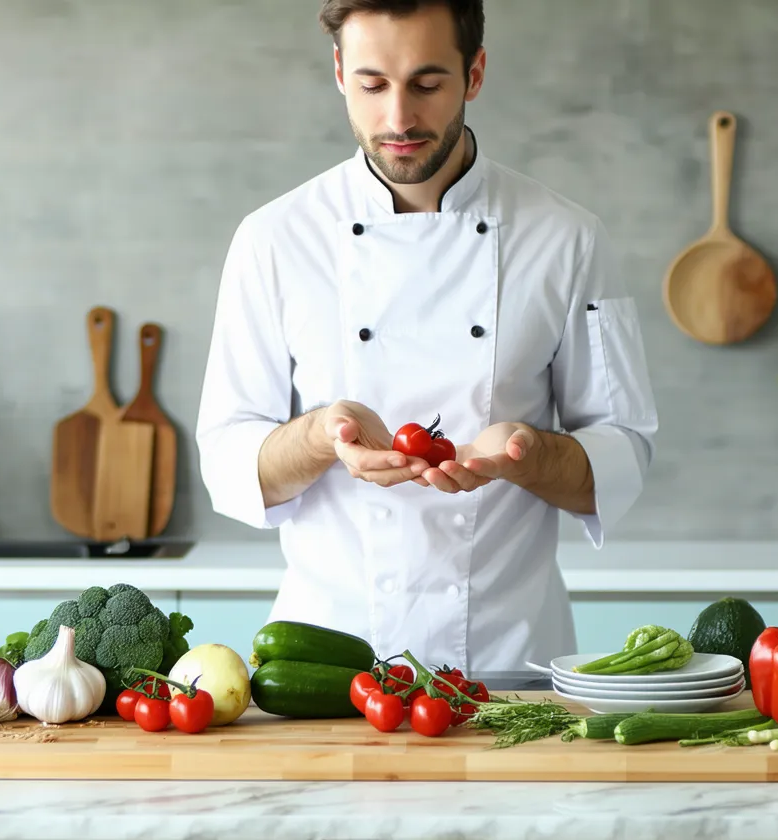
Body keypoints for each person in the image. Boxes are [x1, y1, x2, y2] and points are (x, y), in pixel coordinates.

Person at [195, 0, 658, 674]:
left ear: (474, 74)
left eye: (427, 83)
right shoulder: (273, 239)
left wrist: (525, 455)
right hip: (323, 668)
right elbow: (227, 461)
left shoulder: (568, 238)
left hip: (510, 671)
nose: (399, 119)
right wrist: (324, 433)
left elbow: (623, 455)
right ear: (338, 71)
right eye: (372, 84)